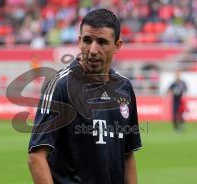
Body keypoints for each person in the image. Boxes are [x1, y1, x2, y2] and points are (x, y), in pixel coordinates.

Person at [28, 9, 142, 184]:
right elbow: (36, 157)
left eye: (102, 42)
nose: (93, 50)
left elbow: (127, 155)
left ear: (117, 45)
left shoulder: (124, 87)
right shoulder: (60, 85)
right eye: (87, 41)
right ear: (79, 41)